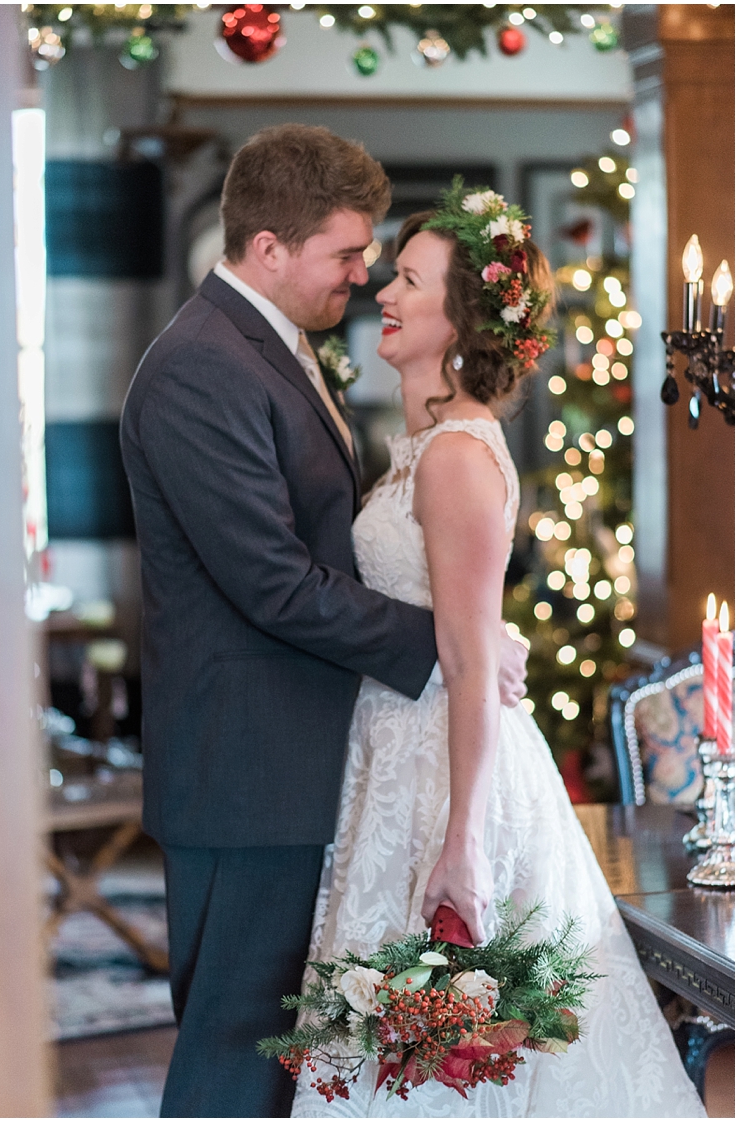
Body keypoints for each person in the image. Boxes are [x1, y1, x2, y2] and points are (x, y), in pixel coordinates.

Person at [119, 124, 529, 1117]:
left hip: (307, 768)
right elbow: (271, 582)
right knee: (232, 1061)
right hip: (248, 776)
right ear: (269, 249)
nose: (364, 272)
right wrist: (446, 648)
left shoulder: (271, 350)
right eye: (348, 253)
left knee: (292, 1065)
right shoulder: (201, 369)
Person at [289, 187, 705, 1117]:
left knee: (461, 1056)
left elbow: (473, 662)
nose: (382, 292)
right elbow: (458, 621)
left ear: (463, 318)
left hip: (450, 769)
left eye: (408, 278)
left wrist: (463, 845)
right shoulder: (422, 448)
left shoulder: (456, 457)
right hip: (397, 754)